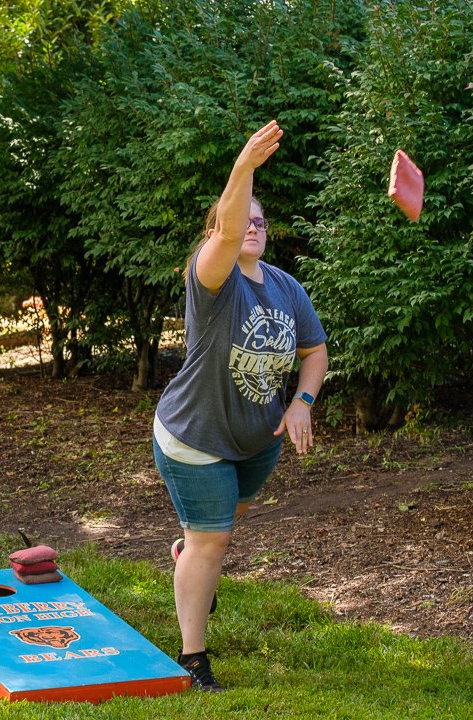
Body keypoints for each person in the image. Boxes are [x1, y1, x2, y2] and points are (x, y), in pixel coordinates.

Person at [152, 120, 329, 691]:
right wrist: (243, 165)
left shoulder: (285, 287)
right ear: (218, 228)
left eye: (261, 221)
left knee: (220, 526)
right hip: (194, 435)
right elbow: (227, 235)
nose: (251, 226)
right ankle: (192, 658)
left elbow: (316, 351)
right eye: (242, 218)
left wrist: (302, 401)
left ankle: (188, 554)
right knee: (215, 541)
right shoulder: (212, 278)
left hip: (256, 440)